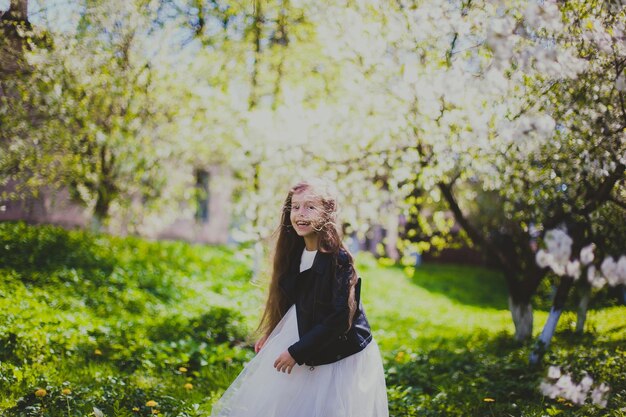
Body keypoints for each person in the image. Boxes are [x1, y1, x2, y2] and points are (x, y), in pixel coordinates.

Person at [211, 178, 389, 417]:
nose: (300, 214)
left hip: (339, 352)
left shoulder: (339, 259)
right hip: (305, 334)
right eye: (295, 207)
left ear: (327, 214)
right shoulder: (293, 254)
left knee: (326, 408)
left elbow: (338, 318)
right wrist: (273, 332)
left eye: (310, 207)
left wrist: (296, 352)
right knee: (284, 402)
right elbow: (291, 300)